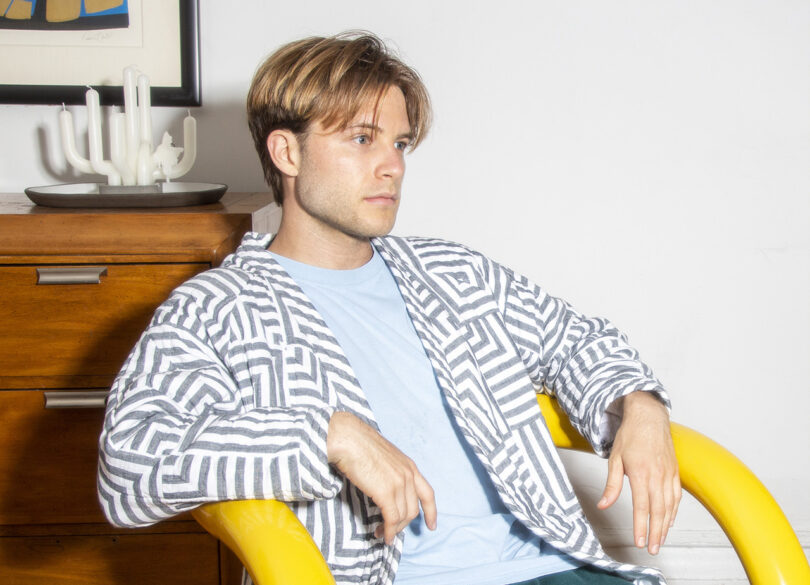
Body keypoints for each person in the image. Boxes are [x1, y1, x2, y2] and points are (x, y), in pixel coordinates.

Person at [98, 32, 680, 585]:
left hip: (547, 565)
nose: (393, 165)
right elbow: (129, 466)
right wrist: (329, 436)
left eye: (399, 143)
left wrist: (640, 404)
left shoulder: (453, 273)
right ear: (286, 152)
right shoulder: (219, 309)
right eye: (361, 138)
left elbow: (576, 340)